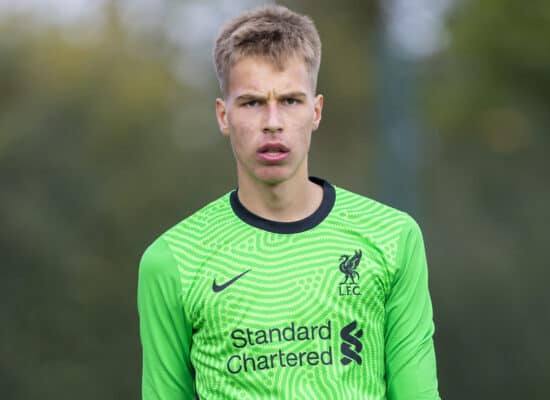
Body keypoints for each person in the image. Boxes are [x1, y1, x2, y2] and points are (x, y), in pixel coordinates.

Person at [137, 5, 440, 399]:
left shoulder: (392, 238)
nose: (273, 122)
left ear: (316, 111)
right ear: (222, 115)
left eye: (291, 101)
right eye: (252, 103)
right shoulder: (172, 261)